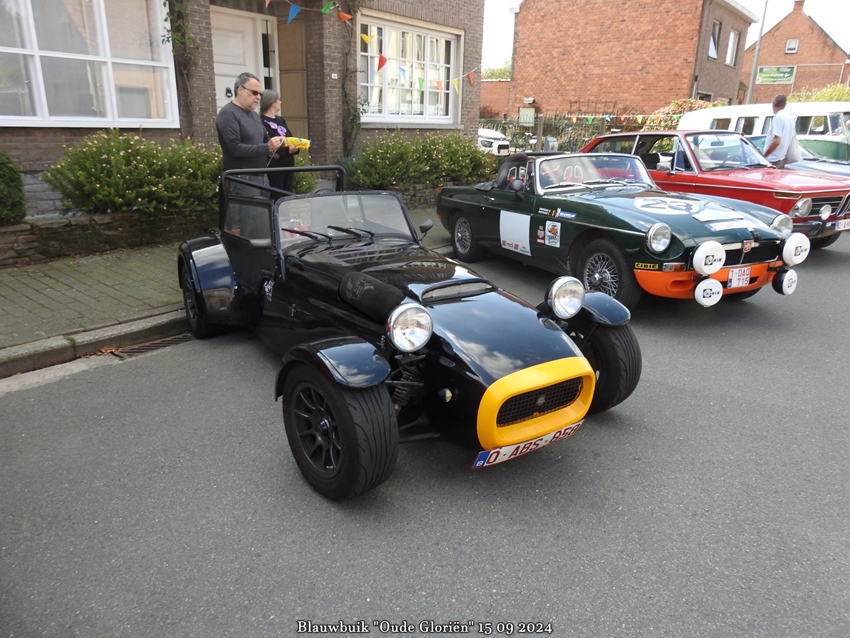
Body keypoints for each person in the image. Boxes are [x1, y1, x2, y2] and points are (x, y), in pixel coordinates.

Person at [215, 71, 286, 197]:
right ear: (240, 90)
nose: (258, 97)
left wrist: (279, 143)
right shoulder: (228, 113)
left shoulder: (254, 115)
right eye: (254, 92)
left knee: (265, 210)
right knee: (249, 211)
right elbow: (235, 148)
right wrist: (267, 147)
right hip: (242, 179)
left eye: (260, 94)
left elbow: (265, 140)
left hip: (262, 177)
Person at [260, 90, 299, 194]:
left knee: (288, 194)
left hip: (288, 164)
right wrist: (287, 150)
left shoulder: (280, 119)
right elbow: (268, 142)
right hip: (275, 165)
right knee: (277, 194)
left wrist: (294, 147)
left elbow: (290, 138)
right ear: (272, 102)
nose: (280, 102)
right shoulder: (261, 121)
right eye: (278, 100)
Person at [763, 94, 796, 169]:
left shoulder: (777, 118)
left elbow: (777, 141)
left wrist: (764, 156)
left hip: (772, 159)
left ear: (773, 104)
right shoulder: (790, 118)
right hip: (782, 158)